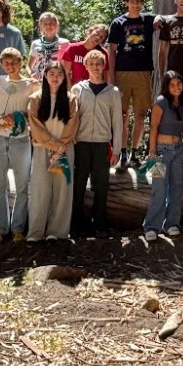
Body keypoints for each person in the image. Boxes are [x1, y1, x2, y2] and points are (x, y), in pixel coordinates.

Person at [68, 50, 122, 236]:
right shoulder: (77, 89)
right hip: (81, 144)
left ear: (103, 65)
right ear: (86, 66)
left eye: (98, 63)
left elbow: (117, 122)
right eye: (91, 64)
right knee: (78, 186)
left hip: (101, 145)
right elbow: (72, 118)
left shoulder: (112, 92)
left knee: (101, 186)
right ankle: (76, 225)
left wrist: (116, 150)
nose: (95, 67)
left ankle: (99, 224)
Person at [0, 47, 37, 243]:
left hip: (21, 139)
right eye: (7, 63)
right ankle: (1, 229)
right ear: (1, 65)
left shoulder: (31, 84)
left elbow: (38, 108)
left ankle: (18, 228)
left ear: (21, 62)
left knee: (22, 186)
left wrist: (22, 116)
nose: (11, 66)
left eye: (14, 62)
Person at [27, 61, 78, 242]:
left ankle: (57, 232)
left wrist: (61, 147)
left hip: (65, 150)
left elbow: (72, 124)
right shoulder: (36, 99)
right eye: (52, 74)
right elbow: (36, 126)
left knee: (63, 191)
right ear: (45, 76)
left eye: (59, 74)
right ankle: (35, 232)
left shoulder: (71, 99)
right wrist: (53, 145)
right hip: (42, 149)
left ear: (64, 78)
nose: (55, 78)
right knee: (40, 189)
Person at [108, 0, 157, 171]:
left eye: (138, 1)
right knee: (121, 115)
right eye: (132, 1)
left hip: (143, 73)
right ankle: (120, 153)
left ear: (142, 3)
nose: (135, 4)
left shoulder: (149, 20)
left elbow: (167, 19)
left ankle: (134, 154)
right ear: (126, 2)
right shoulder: (118, 23)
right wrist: (111, 76)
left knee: (140, 115)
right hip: (122, 73)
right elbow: (111, 51)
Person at [142, 71, 183, 240]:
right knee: (159, 189)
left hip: (178, 150)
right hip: (160, 152)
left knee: (177, 187)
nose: (176, 87)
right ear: (167, 86)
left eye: (179, 84)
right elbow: (153, 127)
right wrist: (152, 152)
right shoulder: (161, 102)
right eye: (172, 84)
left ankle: (171, 224)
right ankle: (151, 226)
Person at [28, 12, 69, 82]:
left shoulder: (65, 43)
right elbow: (28, 66)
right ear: (40, 26)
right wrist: (31, 74)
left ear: (57, 25)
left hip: (57, 82)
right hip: (38, 81)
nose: (48, 26)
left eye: (51, 23)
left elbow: (68, 67)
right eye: (45, 24)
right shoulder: (35, 43)